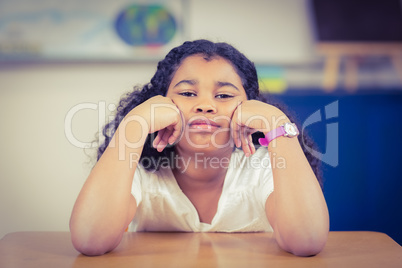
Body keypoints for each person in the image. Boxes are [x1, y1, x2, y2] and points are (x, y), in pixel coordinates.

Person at [69, 39, 329, 257]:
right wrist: (134, 125)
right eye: (187, 93)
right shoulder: (140, 170)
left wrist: (277, 123)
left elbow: (306, 240)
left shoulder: (263, 167)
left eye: (224, 96)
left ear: (250, 110)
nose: (206, 105)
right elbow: (90, 239)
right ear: (159, 105)